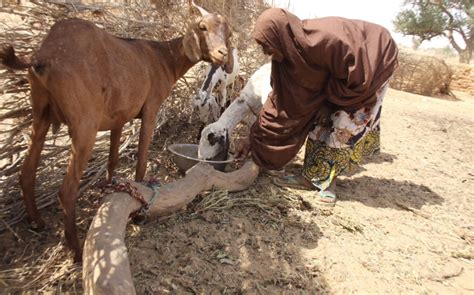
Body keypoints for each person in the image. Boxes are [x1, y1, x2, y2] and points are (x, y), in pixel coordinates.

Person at [237, 8, 398, 205]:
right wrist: (254, 138)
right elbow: (279, 102)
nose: (266, 51)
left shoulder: (324, 39)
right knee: (317, 119)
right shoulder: (289, 56)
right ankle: (310, 176)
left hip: (370, 66)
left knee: (343, 124)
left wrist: (328, 101)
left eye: (267, 44)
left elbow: (358, 77)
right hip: (339, 76)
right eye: (262, 46)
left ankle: (329, 182)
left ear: (280, 34)